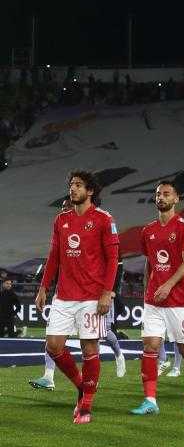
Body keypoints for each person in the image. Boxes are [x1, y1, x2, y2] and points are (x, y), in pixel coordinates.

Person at [36, 170, 120, 424]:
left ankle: (86, 405)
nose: (72, 189)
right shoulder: (60, 219)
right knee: (53, 346)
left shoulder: (104, 220)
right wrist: (43, 287)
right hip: (64, 295)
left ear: (90, 191)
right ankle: (83, 386)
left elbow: (113, 259)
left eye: (78, 185)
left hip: (92, 297)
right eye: (71, 184)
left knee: (89, 348)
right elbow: (54, 256)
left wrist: (107, 293)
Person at [130, 181, 184, 415]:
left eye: (166, 194)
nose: (161, 197)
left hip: (179, 299)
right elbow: (149, 262)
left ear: (176, 199)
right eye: (158, 194)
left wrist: (168, 284)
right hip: (154, 300)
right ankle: (150, 400)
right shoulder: (148, 230)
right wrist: (146, 289)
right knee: (150, 346)